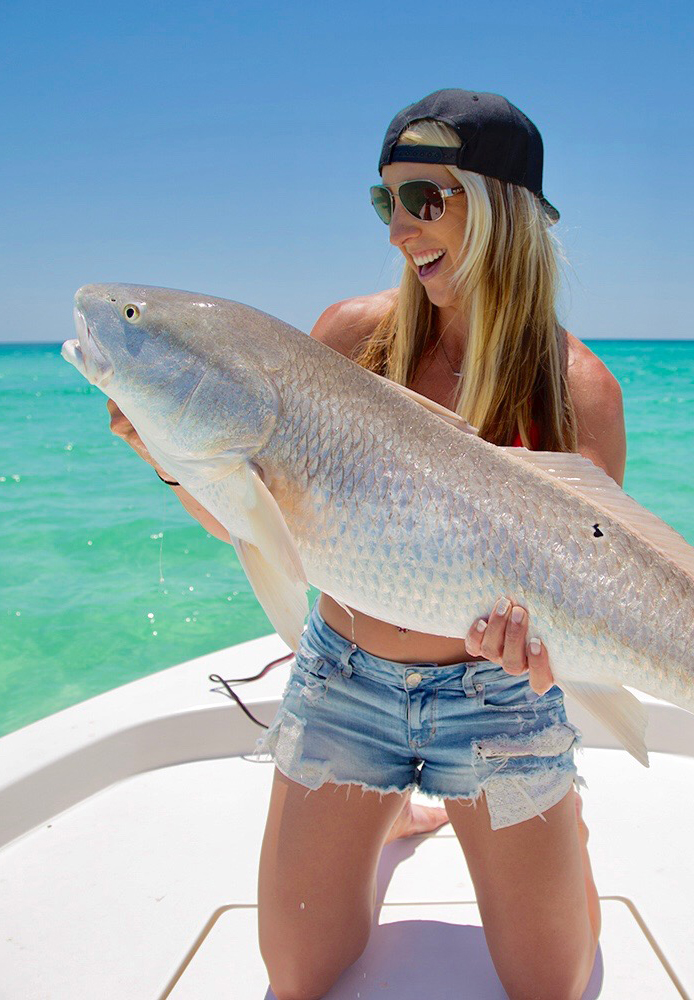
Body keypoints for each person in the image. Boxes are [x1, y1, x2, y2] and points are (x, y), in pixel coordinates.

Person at [109, 88, 626, 1000]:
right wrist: (174, 464)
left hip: (500, 708)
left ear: (504, 206)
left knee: (553, 983)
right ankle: (390, 813)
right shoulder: (350, 339)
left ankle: (558, 824)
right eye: (385, 201)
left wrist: (542, 660)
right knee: (301, 972)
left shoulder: (577, 390)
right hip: (346, 684)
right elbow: (269, 534)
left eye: (425, 199)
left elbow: (583, 616)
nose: (398, 229)